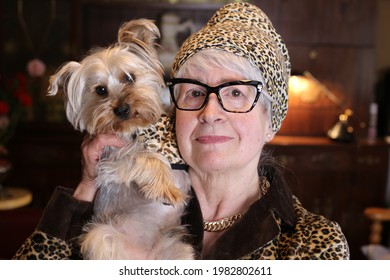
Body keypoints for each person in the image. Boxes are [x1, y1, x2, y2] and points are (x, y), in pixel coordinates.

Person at [13, 2, 349, 260]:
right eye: (195, 93)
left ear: (270, 121)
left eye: (235, 92)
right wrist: (87, 186)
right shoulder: (118, 197)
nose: (211, 112)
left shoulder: (310, 242)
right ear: (173, 111)